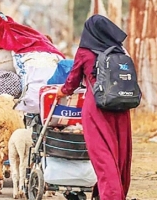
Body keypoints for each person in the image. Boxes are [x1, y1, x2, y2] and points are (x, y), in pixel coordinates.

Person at [56, 14, 132, 200]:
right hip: (121, 109)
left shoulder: (84, 51)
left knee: (103, 157)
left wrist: (61, 92)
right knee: (120, 155)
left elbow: (71, 82)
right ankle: (115, 193)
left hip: (97, 110)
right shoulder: (120, 50)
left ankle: (111, 196)